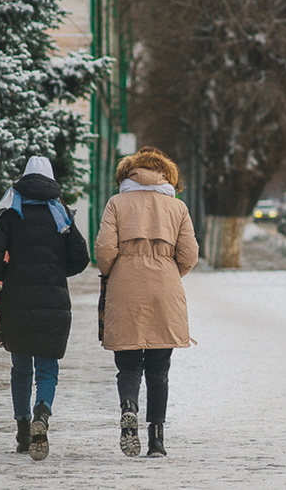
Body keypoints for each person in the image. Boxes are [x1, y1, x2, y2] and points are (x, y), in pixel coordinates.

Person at [0, 156, 89, 461]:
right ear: (51, 180)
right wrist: (55, 273)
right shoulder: (61, 212)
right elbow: (81, 258)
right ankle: (43, 410)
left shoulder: (10, 213)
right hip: (54, 300)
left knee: (21, 369)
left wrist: (11, 275)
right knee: (47, 367)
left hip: (17, 300)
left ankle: (23, 431)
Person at [95, 146, 199, 458]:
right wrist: (169, 272)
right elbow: (190, 254)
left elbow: (103, 250)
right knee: (159, 368)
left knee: (128, 364)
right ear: (165, 175)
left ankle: (129, 409)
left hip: (125, 285)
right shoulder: (176, 207)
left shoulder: (117, 203)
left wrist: (116, 272)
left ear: (129, 174)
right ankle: (157, 439)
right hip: (165, 289)